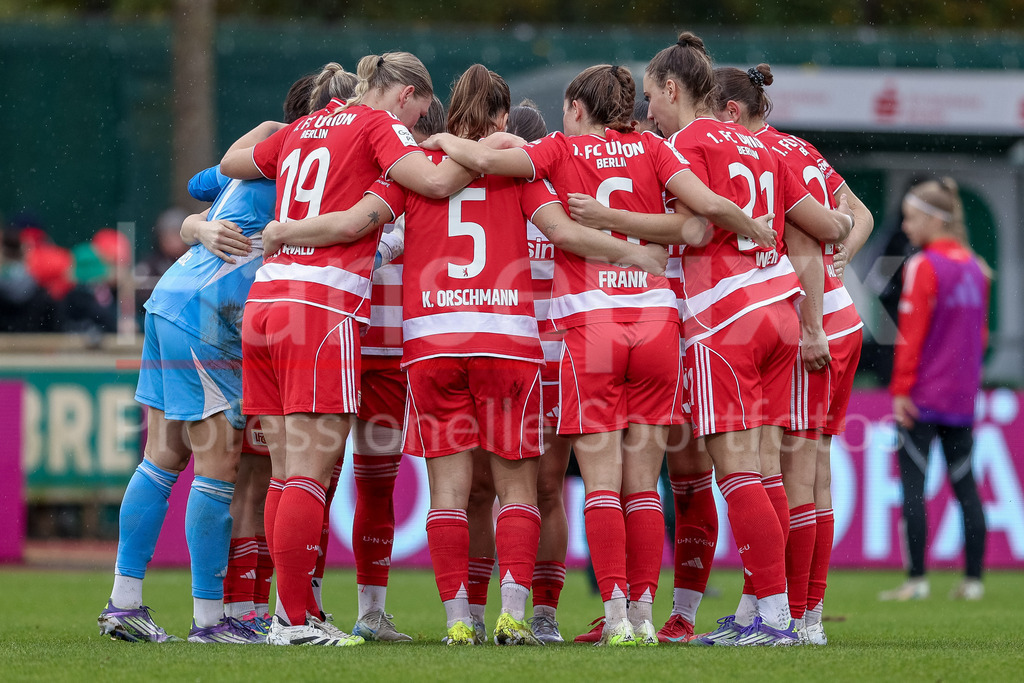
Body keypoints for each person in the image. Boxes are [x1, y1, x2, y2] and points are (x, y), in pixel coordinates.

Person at [263, 63, 670, 646]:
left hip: (432, 344)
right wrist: (639, 256)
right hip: (508, 343)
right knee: (520, 490)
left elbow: (355, 222)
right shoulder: (518, 173)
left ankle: (458, 621)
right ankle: (513, 613)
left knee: (449, 492)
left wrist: (284, 231)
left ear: (449, 112)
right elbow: (566, 235)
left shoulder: (412, 171)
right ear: (503, 118)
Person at [423, 62, 776, 647]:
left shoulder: (560, 150)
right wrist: (751, 226)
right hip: (658, 326)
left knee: (602, 487)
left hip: (591, 328)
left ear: (578, 109)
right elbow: (699, 221)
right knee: (644, 487)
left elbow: (486, 162)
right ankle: (642, 616)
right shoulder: (657, 152)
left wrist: (440, 139)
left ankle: (613, 616)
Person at [566, 34, 854, 646]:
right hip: (780, 309)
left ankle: (773, 617)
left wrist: (607, 217)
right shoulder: (762, 143)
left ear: (673, 89)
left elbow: (694, 227)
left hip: (725, 317)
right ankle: (775, 616)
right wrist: (846, 230)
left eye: (651, 97)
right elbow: (815, 228)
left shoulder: (685, 143)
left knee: (736, 475)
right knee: (770, 473)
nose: (648, 113)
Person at [220, 51, 478, 647]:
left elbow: (232, 162)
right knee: (310, 473)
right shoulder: (378, 126)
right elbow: (435, 183)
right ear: (403, 94)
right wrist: (487, 154)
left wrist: (270, 137)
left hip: (265, 305)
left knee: (285, 475)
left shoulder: (307, 126)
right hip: (321, 308)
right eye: (421, 105)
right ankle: (292, 620)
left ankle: (289, 613)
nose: (420, 117)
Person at [95, 73, 322, 645]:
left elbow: (203, 182)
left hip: (169, 300)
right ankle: (209, 620)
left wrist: (197, 223)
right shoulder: (306, 167)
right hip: (207, 318)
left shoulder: (263, 158)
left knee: (162, 456)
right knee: (217, 469)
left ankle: (125, 604)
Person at [713, 63, 874, 645]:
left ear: (730, 110)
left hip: (808, 324)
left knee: (789, 477)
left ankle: (796, 619)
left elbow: (803, 237)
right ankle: (782, 614)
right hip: (842, 316)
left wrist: (819, 289)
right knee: (813, 475)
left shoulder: (754, 155)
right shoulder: (799, 149)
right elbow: (861, 216)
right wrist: (844, 261)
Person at [880, 177, 990, 603]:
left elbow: (910, 336)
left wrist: (901, 390)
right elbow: (978, 340)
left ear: (931, 219)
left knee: (913, 486)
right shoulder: (976, 267)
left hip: (923, 395)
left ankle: (917, 580)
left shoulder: (923, 266)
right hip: (962, 397)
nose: (906, 227)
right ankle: (975, 581)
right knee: (966, 486)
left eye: (909, 219)